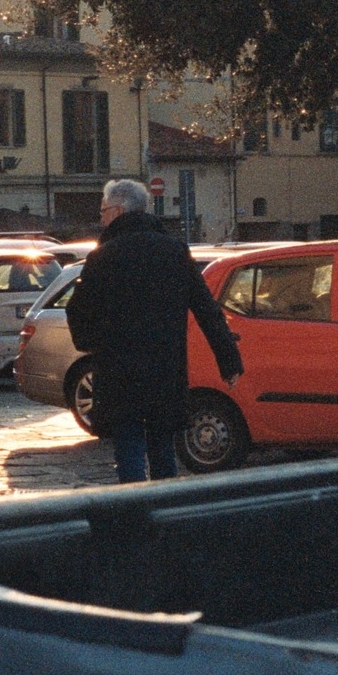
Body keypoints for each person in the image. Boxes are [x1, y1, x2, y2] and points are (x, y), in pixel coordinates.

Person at [66, 179, 244, 482]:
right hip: (165, 367)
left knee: (129, 445)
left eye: (103, 210)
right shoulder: (173, 250)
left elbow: (77, 310)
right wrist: (228, 359)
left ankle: (136, 513)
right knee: (162, 446)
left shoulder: (104, 256)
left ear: (119, 210)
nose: (101, 218)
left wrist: (92, 345)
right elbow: (206, 308)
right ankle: (166, 511)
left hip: (120, 370)